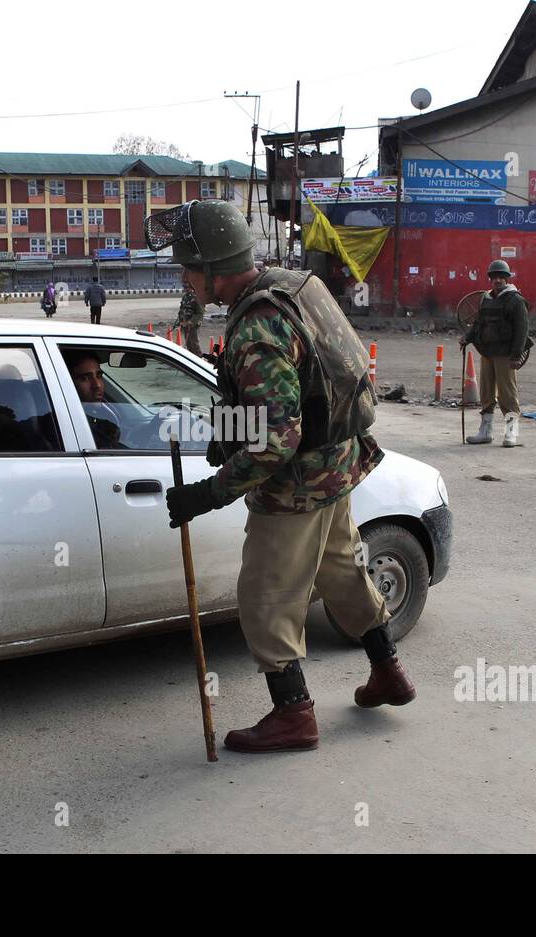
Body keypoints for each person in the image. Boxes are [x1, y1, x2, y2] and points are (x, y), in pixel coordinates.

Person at [152, 199, 412, 755]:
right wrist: (222, 426)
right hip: (338, 465)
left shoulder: (256, 327)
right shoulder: (294, 285)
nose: (185, 280)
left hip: (295, 486)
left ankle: (293, 715)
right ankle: (387, 670)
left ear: (214, 269)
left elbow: (275, 441)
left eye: (187, 270)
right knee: (341, 570)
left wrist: (208, 494)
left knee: (267, 597)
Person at [460, 259, 528, 447]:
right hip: (487, 352)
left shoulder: (515, 300)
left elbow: (522, 330)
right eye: (494, 277)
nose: (497, 280)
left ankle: (511, 433)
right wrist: (468, 337)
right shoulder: (486, 299)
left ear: (507, 279)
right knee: (486, 393)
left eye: (501, 277)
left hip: (505, 354)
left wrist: (516, 355)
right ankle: (485, 431)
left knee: (508, 394)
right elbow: (478, 323)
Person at [63, 349, 123, 448]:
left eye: (99, 376)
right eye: (85, 378)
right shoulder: (65, 424)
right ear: (67, 382)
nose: (97, 385)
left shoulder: (106, 414)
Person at [176, 285, 204, 355]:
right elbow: (181, 310)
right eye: (184, 287)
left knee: (194, 344)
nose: (185, 289)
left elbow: (200, 313)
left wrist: (191, 322)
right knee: (188, 344)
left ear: (192, 288)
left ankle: (199, 359)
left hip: (193, 325)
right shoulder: (185, 297)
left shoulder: (197, 297)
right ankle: (191, 360)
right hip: (185, 323)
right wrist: (180, 321)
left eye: (187, 287)